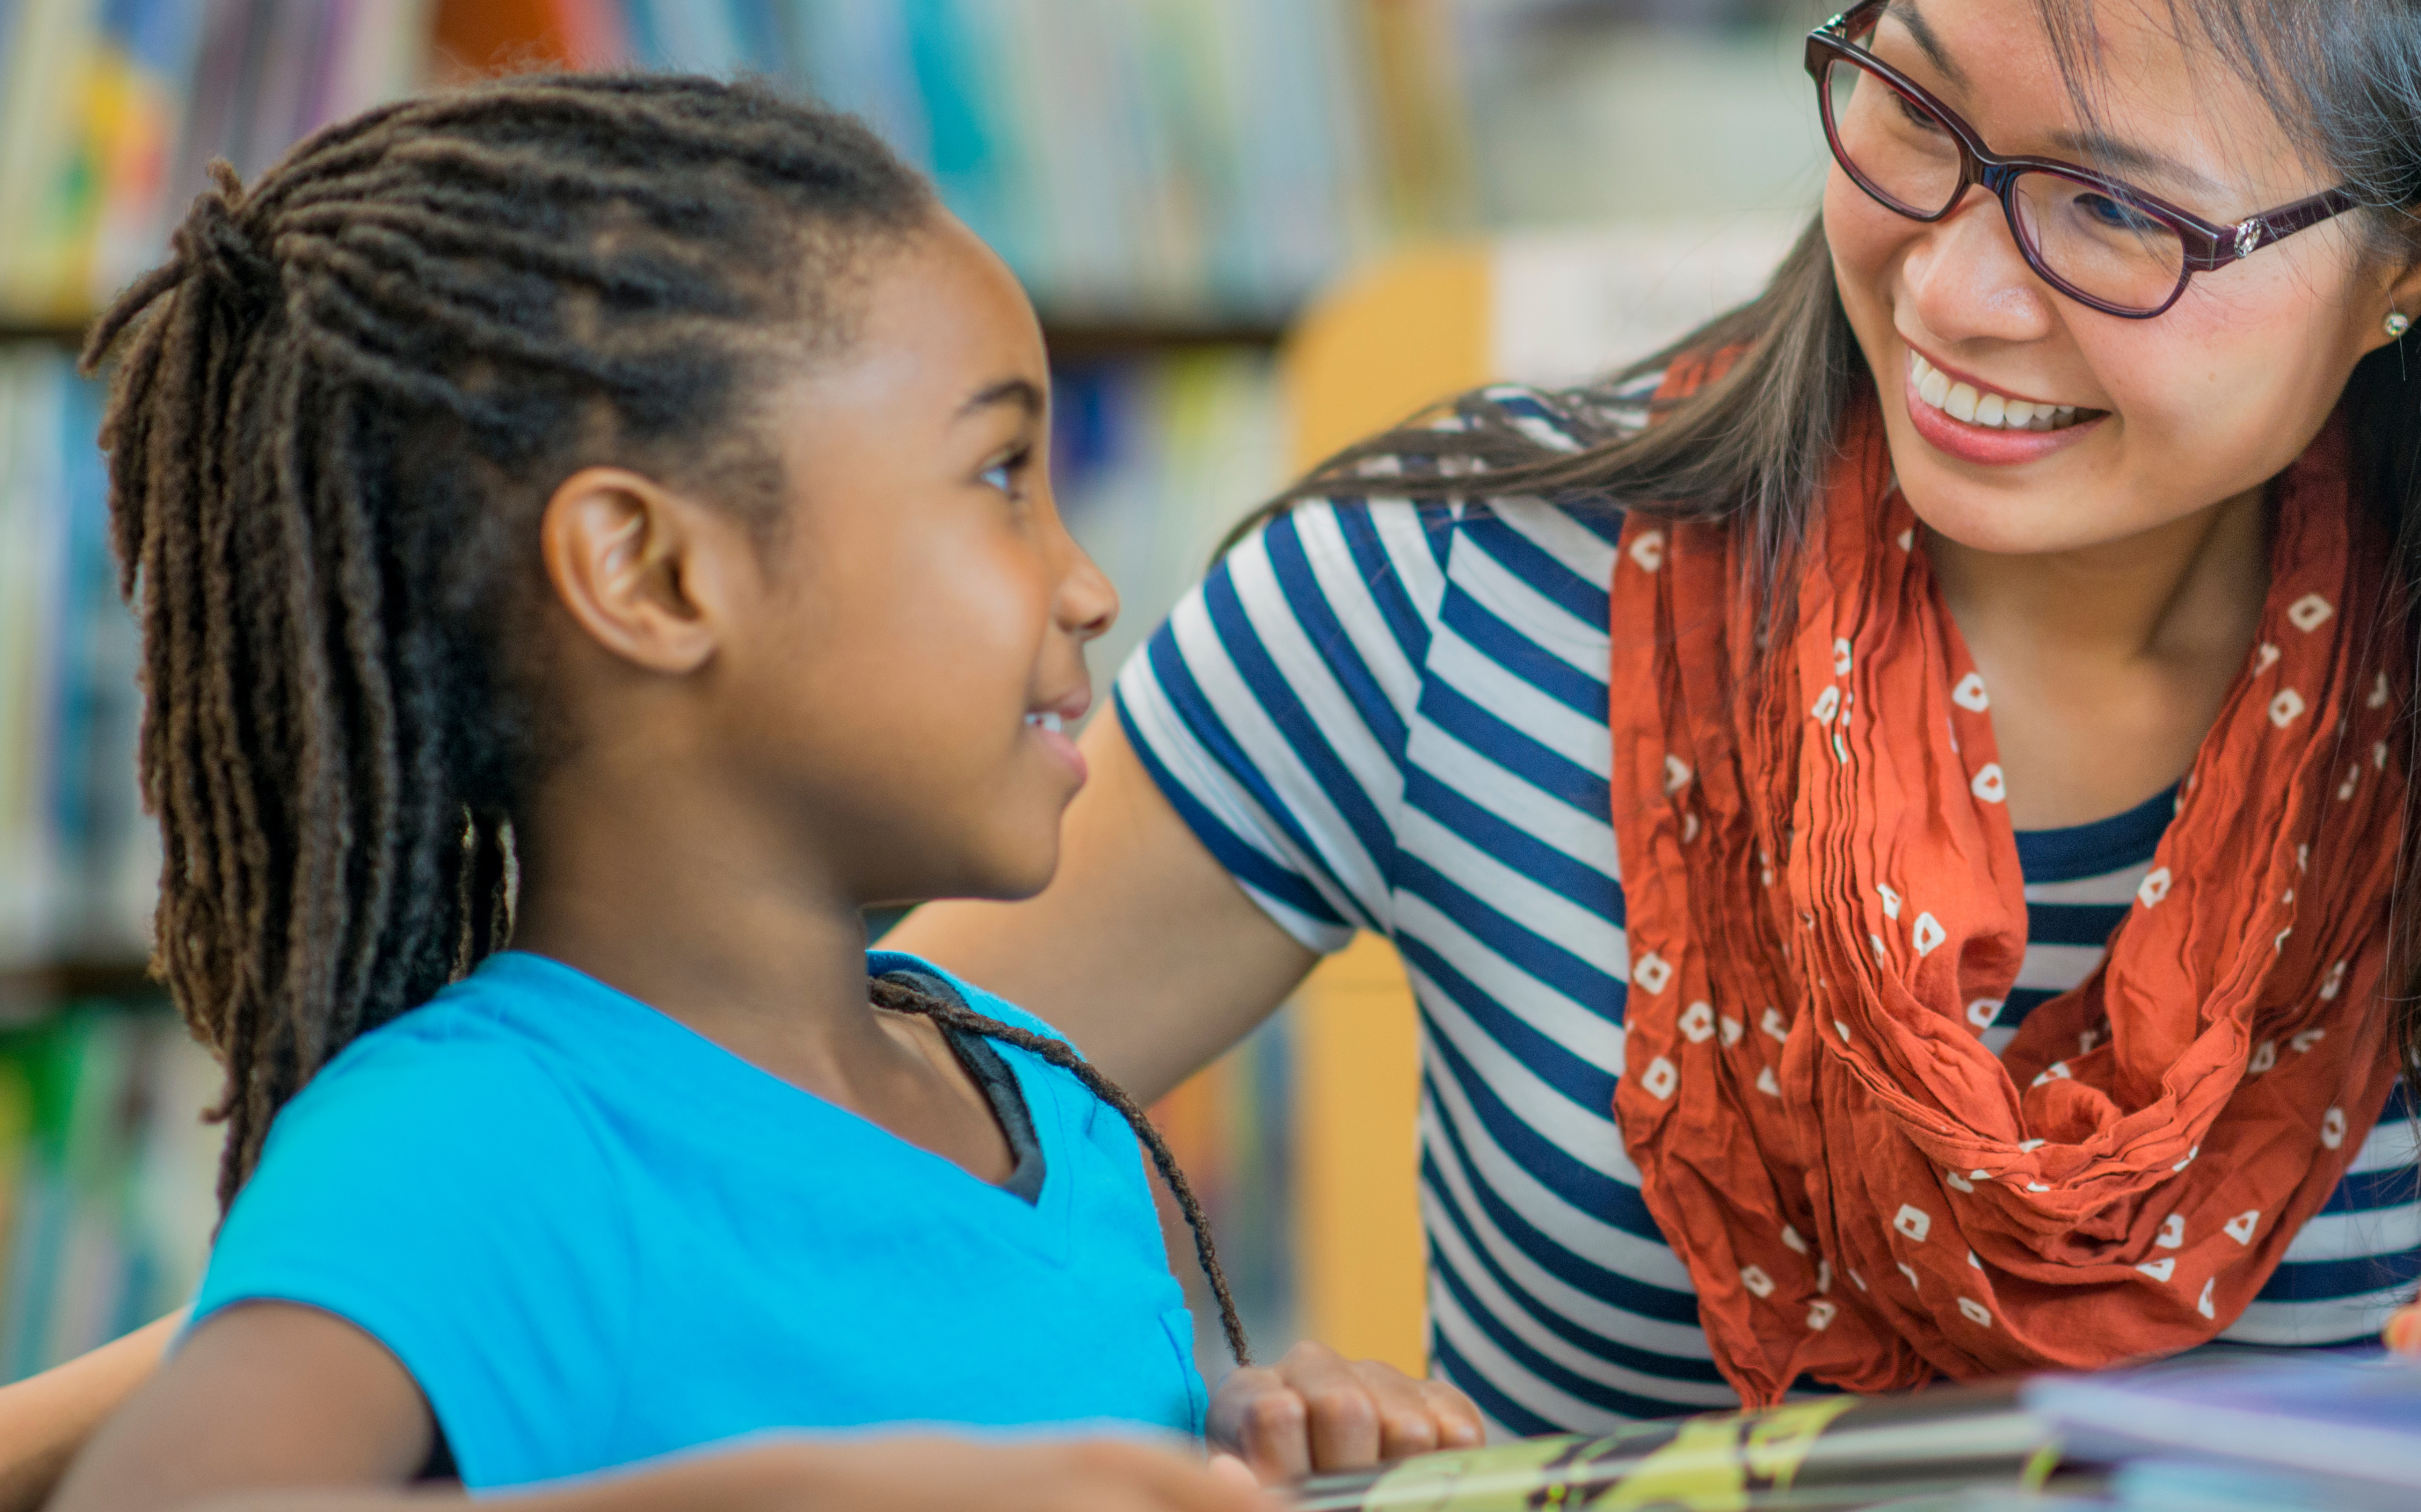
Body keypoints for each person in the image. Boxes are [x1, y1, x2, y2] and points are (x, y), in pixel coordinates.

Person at [0, 0, 2421, 1484]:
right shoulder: (1446, 603)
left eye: (2118, 215)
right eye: (1914, 114)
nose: (1952, 281)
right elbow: (735, 1146)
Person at [29, 73, 1480, 1512]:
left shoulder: (1051, 1097)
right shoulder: (477, 1135)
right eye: (999, 475)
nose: (1090, 586)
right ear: (651, 574)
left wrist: (1284, 1461)